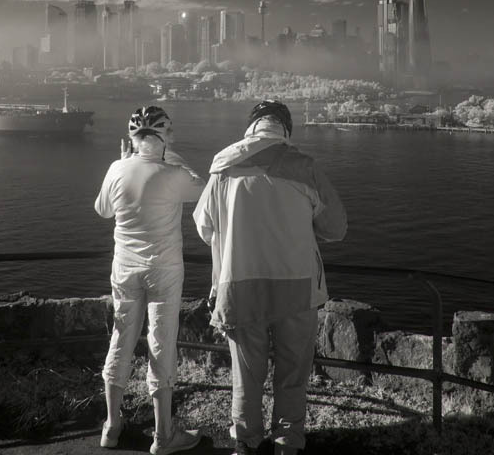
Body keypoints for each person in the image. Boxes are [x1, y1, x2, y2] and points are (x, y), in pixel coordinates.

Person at [193, 100, 347, 455]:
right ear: (286, 131)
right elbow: (336, 228)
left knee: (246, 376)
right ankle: (287, 444)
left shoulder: (223, 169)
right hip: (297, 288)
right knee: (293, 373)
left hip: (239, 286)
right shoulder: (304, 167)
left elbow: (204, 227)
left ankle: (246, 442)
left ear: (250, 128)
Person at [94, 105, 204, 455]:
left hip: (124, 268)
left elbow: (102, 210)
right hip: (164, 270)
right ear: (165, 137)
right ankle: (163, 436)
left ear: (132, 139)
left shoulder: (116, 168)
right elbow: (206, 189)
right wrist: (174, 156)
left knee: (120, 337)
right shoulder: (172, 173)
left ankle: (111, 426)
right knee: (161, 344)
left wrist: (123, 163)